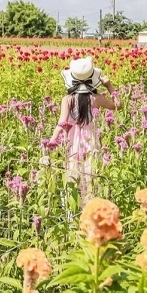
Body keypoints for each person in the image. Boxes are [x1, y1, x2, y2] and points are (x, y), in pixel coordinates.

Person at [50, 56, 118, 206]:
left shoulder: (67, 99)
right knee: (91, 172)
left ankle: (72, 207)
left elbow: (61, 124)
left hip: (72, 139)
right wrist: (109, 86)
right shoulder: (97, 98)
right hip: (91, 139)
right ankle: (91, 206)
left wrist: (51, 143)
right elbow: (118, 105)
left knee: (73, 172)